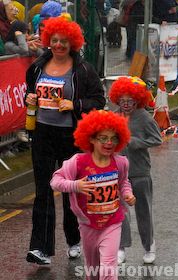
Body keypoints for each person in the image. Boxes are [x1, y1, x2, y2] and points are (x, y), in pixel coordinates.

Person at [25, 17, 106, 265]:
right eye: (55, 40)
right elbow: (30, 94)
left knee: (72, 191)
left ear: (73, 43)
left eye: (64, 41)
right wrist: (29, 100)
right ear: (49, 41)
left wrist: (76, 104)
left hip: (72, 136)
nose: (59, 45)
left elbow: (99, 101)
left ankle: (74, 240)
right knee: (44, 191)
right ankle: (41, 249)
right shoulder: (37, 67)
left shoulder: (83, 70)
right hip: (43, 134)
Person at [50, 110, 136, 280]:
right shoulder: (78, 162)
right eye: (103, 138)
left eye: (113, 138)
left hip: (112, 222)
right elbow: (55, 181)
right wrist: (76, 185)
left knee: (108, 269)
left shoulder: (120, 162)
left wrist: (127, 194)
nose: (109, 143)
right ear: (91, 138)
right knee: (93, 271)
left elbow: (124, 182)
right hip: (88, 224)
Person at [109, 76, 162, 264]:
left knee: (143, 211)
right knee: (120, 212)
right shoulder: (113, 116)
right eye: (122, 101)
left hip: (140, 173)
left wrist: (136, 142)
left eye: (130, 101)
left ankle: (149, 246)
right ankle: (121, 248)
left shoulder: (144, 118)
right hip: (118, 173)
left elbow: (157, 139)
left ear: (137, 100)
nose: (125, 104)